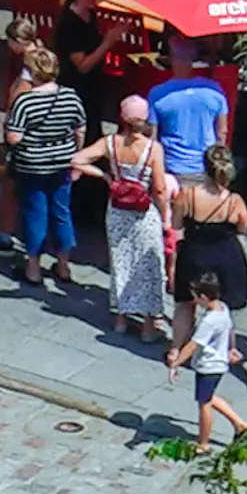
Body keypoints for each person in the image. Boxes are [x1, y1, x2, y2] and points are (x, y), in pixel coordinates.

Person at [82, 95, 173, 341]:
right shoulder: (153, 149)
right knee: (147, 265)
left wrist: (105, 176)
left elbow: (77, 159)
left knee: (121, 262)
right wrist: (166, 218)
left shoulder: (110, 143)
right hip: (144, 212)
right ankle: (147, 326)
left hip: (117, 209)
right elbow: (161, 189)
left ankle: (121, 318)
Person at [1, 39, 87, 294]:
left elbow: (13, 137)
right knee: (61, 212)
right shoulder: (71, 96)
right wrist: (77, 157)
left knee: (35, 213)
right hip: (63, 163)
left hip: (32, 166)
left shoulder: (25, 102)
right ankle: (63, 265)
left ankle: (34, 268)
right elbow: (80, 129)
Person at [173, 157, 247, 385]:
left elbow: (176, 224)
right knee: (224, 306)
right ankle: (229, 349)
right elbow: (243, 228)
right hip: (226, 255)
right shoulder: (234, 200)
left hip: (194, 253)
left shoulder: (188, 195)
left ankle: (176, 349)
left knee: (185, 304)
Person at [175, 270, 247, 443]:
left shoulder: (209, 321)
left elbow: (193, 345)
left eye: (195, 296)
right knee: (208, 396)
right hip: (219, 362)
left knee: (204, 405)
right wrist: (232, 347)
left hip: (208, 365)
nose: (194, 300)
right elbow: (230, 328)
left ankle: (203, 443)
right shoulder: (223, 307)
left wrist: (176, 363)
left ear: (203, 296)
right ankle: (239, 424)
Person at [144, 48, 232, 189]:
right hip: (206, 166)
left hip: (173, 168)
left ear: (172, 61)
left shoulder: (157, 94)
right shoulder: (214, 90)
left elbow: (152, 138)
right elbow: (222, 132)